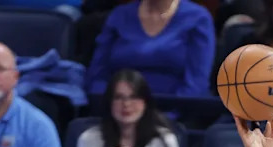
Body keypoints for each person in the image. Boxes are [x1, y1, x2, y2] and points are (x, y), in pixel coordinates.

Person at [85, 0, 216, 98]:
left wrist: (165, 116)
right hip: (118, 110)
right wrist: (105, 106)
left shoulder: (198, 18)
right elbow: (98, 73)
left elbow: (196, 83)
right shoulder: (119, 15)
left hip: (175, 110)